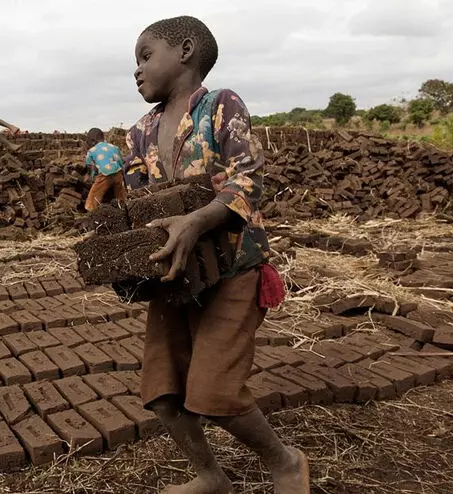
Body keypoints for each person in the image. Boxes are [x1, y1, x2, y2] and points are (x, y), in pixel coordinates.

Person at [124, 15, 309, 494]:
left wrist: (197, 221)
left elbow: (249, 179)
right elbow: (138, 206)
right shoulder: (139, 132)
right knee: (163, 392)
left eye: (145, 56)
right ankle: (210, 476)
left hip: (233, 269)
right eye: (135, 63)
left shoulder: (220, 106)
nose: (137, 70)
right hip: (176, 276)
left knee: (215, 393)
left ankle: (286, 462)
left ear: (185, 51)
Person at [83, 128, 128, 211]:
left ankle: (90, 211)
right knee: (120, 195)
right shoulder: (115, 147)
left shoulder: (91, 151)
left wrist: (92, 179)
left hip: (104, 175)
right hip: (118, 173)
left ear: (92, 141)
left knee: (94, 196)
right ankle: (124, 208)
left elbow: (91, 168)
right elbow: (121, 163)